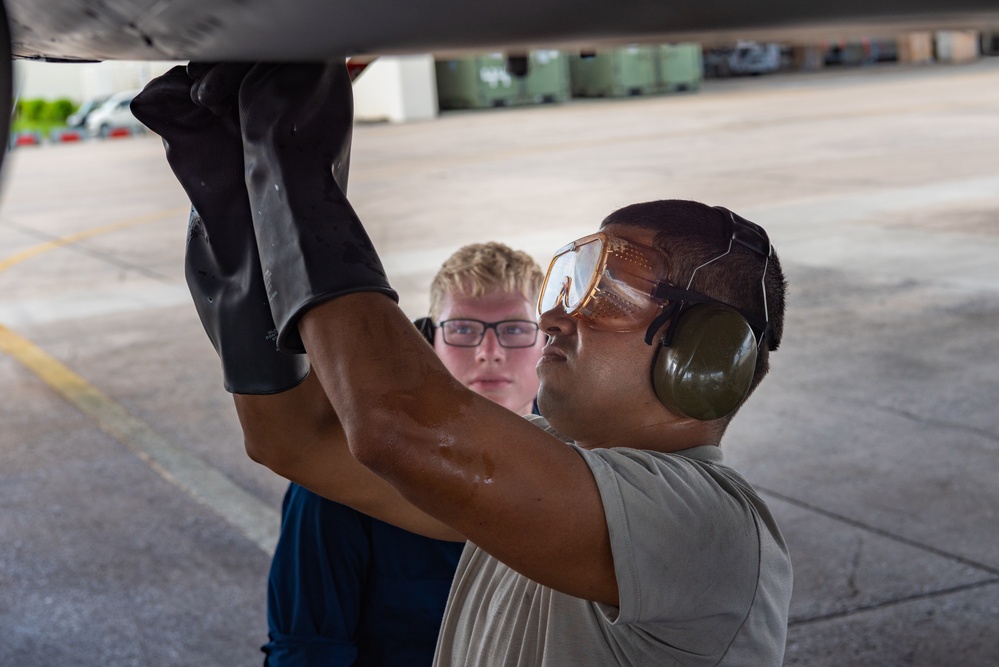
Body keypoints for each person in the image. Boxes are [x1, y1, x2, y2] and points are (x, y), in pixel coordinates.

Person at [133, 61, 793, 665]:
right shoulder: (547, 471)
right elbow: (294, 439)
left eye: (610, 292)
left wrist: (290, 155)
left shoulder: (706, 525)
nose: (558, 315)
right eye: (567, 285)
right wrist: (230, 199)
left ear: (708, 355)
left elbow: (402, 428)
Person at [264, 242, 545, 665]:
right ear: (428, 340)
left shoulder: (593, 462)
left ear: (548, 344)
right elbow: (306, 650)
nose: (490, 351)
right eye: (464, 330)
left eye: (516, 329)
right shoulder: (343, 483)